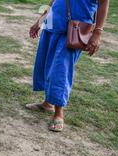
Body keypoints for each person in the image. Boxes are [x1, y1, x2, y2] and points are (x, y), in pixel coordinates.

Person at [27, 0, 109, 132]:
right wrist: (40, 20)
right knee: (46, 64)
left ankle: (59, 113)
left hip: (75, 28)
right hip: (52, 23)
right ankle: (47, 103)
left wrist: (98, 32)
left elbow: (103, 2)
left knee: (60, 70)